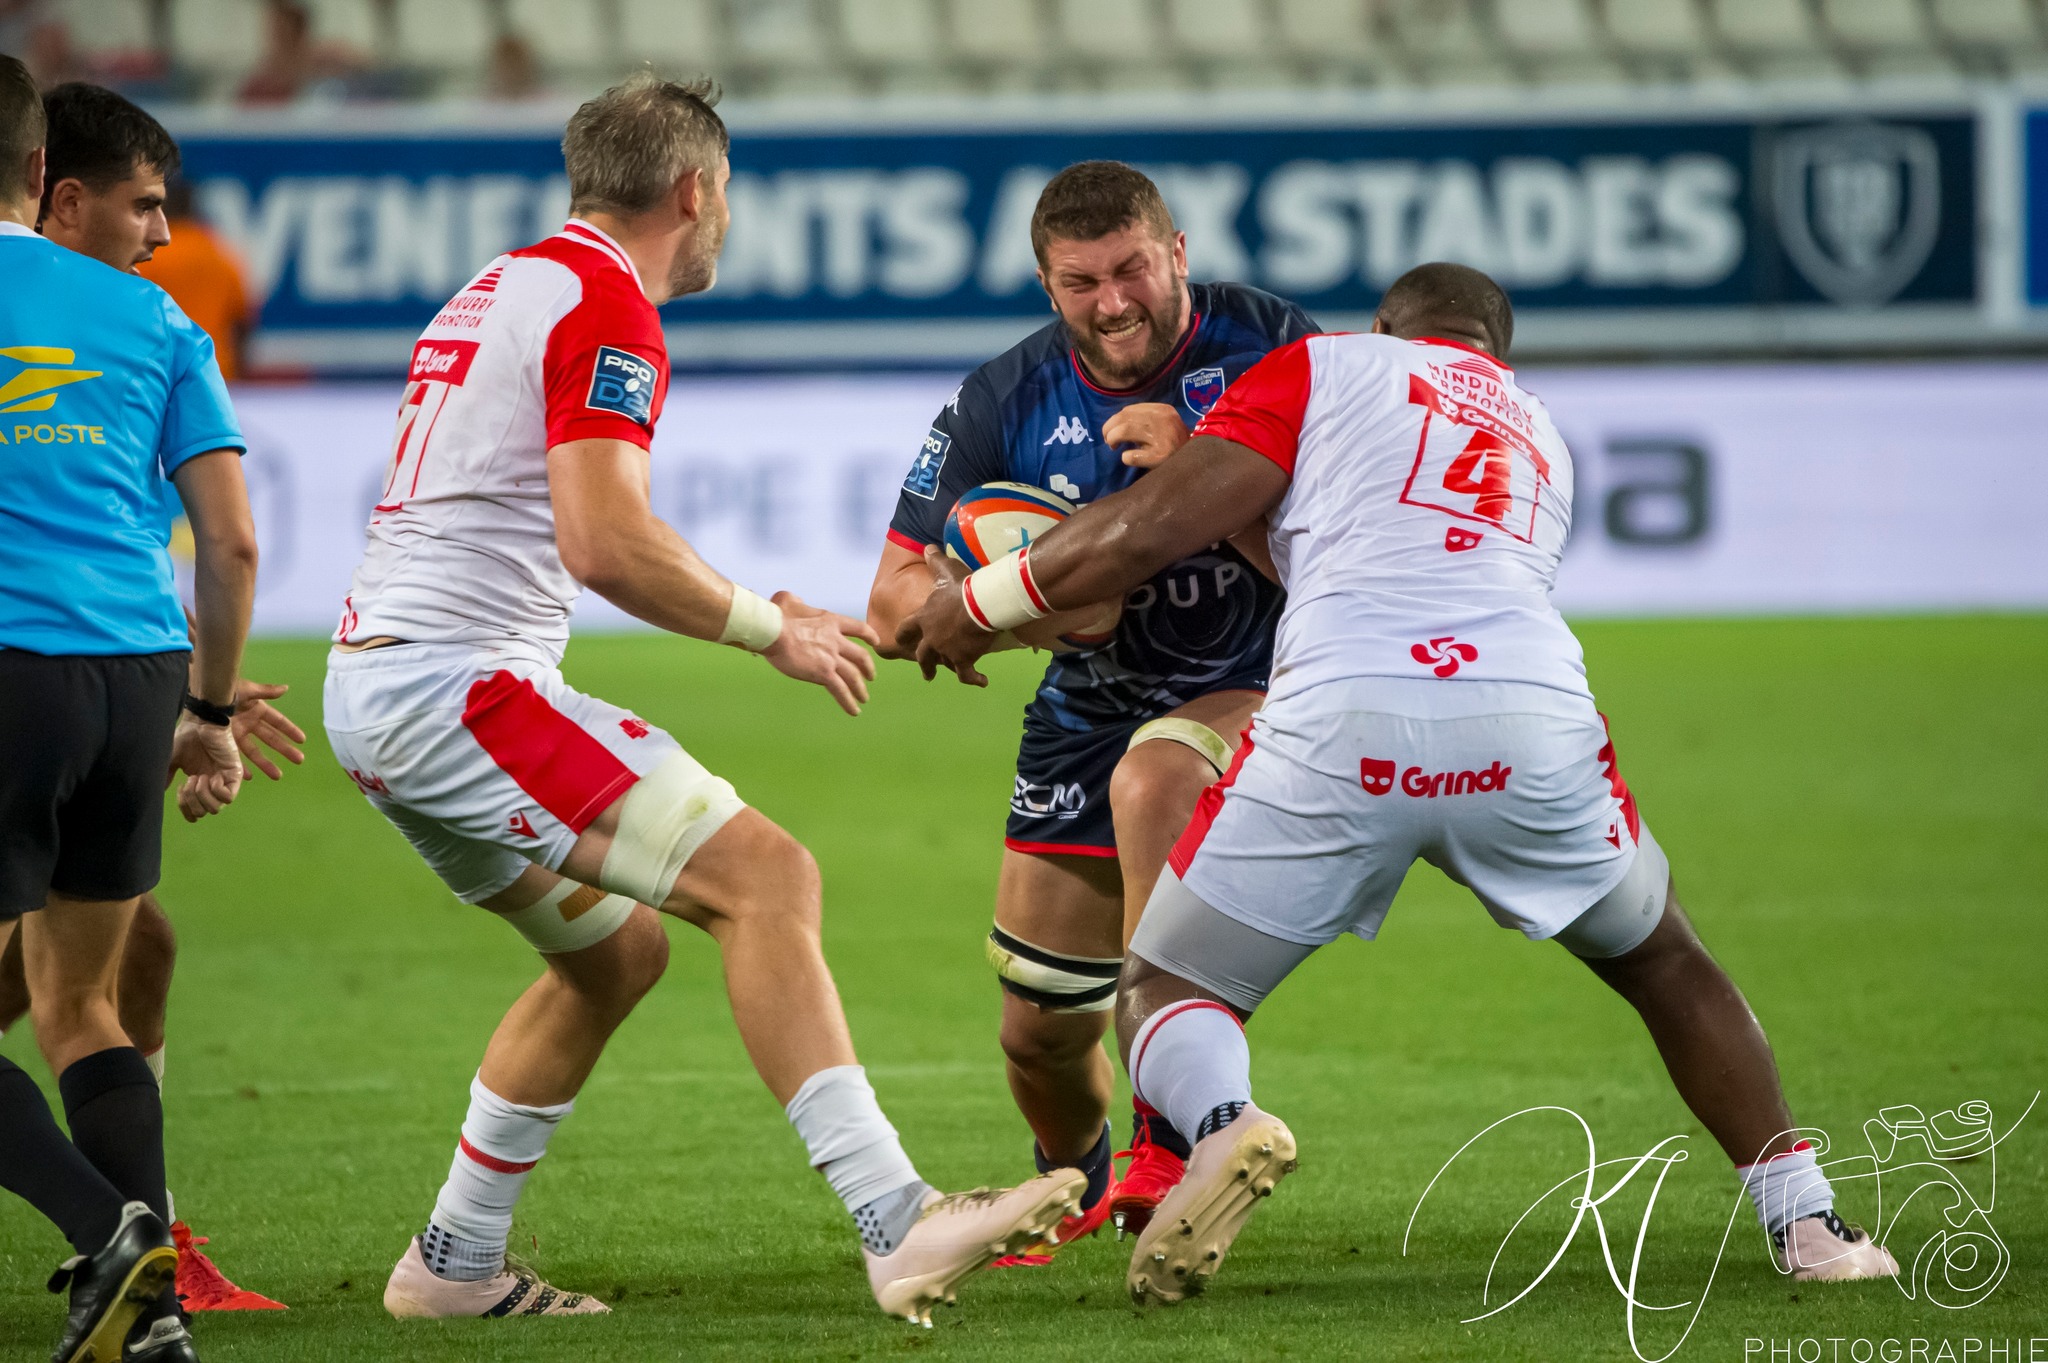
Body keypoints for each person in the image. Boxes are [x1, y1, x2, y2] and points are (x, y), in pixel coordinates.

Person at [898, 262, 1904, 1301]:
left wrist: (975, 603)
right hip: (1525, 717)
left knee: (1163, 987)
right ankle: (1811, 1223)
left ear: (1383, 327)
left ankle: (1223, 1123)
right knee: (1665, 961)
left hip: (1345, 716)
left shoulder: (1318, 364)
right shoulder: (1539, 433)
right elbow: (1340, 546)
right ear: (1496, 353)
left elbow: (1147, 528)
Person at [322, 75, 1083, 1327]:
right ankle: (896, 1217)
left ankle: (453, 1261)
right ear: (693, 190)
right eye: (724, 190)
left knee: (613, 954)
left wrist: (761, 606)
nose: (724, 211)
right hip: (460, 689)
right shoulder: (606, 304)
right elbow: (604, 542)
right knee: (766, 878)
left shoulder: (501, 284)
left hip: (383, 683)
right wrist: (767, 631)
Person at [864, 160, 1315, 1260]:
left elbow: (1343, 550)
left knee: (1156, 777)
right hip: (1085, 707)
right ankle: (1073, 1183)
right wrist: (1030, 609)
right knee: (1039, 1031)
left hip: (1258, 676)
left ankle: (1171, 1141)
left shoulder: (1274, 349)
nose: (1113, 302)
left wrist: (1204, 480)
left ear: (1177, 252)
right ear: (1045, 283)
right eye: (1081, 282)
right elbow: (892, 599)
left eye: (1132, 270)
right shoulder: (1000, 399)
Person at [0, 79, 297, 1315]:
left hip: (12, 666)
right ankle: (150, 1309)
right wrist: (205, 708)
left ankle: (111, 1231)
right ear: (44, 176)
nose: (164, 232)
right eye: (145, 205)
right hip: (133, 673)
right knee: (88, 998)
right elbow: (231, 545)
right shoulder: (161, 319)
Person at [138, 178, 256, 382]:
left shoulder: (149, 255)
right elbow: (242, 322)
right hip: (216, 372)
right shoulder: (219, 252)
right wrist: (240, 373)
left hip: (164, 373)